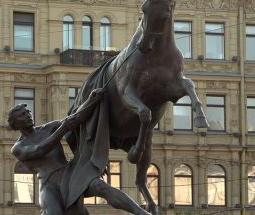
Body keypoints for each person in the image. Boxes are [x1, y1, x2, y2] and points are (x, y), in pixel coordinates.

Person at [9, 88, 151, 215]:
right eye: (22, 115)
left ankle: (142, 213)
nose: (28, 115)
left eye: (28, 112)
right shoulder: (18, 147)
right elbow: (39, 149)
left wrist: (91, 100)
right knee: (54, 213)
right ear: (15, 124)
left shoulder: (48, 128)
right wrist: (63, 129)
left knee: (101, 187)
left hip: (70, 175)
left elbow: (75, 118)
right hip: (49, 185)